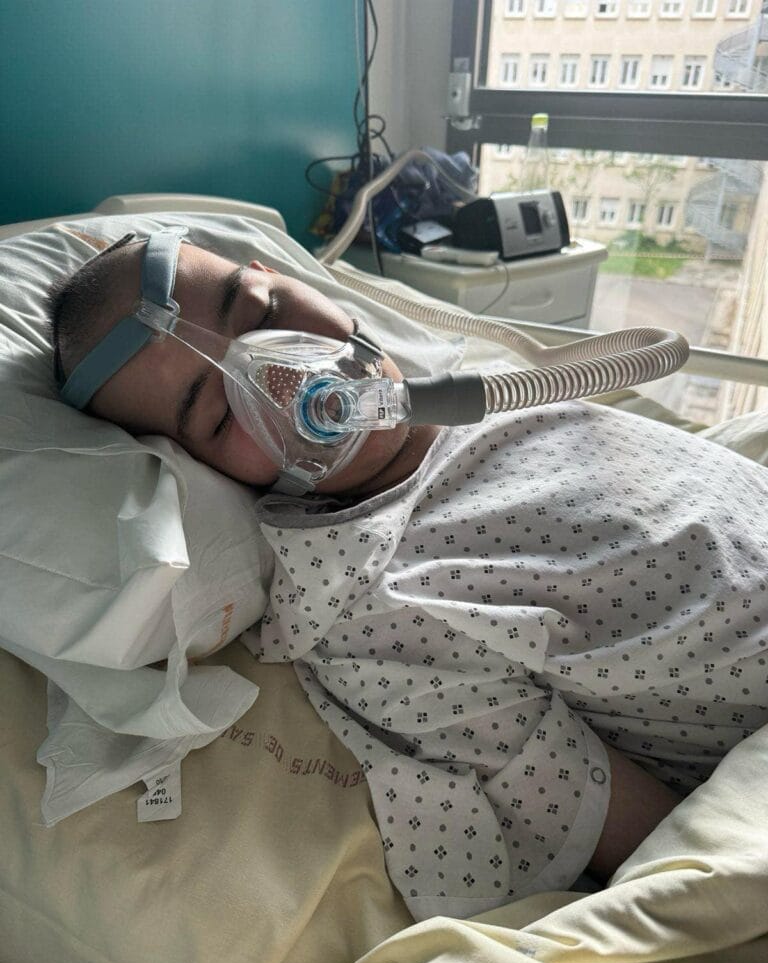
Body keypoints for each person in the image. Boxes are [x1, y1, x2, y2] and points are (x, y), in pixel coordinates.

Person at [49, 231, 768, 920]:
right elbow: (664, 845)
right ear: (203, 469)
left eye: (264, 314)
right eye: (217, 416)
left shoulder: (489, 393)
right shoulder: (374, 608)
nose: (289, 376)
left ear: (281, 274)